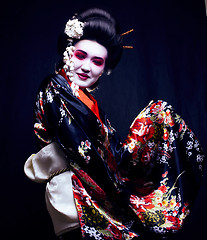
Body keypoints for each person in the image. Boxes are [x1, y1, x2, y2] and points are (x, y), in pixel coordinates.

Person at [24, 8, 205, 240]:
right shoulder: (55, 88)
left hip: (95, 193)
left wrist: (153, 126)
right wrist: (126, 192)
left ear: (104, 69)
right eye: (81, 55)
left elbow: (115, 155)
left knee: (159, 112)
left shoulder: (90, 102)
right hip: (74, 197)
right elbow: (83, 150)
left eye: (97, 61)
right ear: (68, 52)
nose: (87, 67)